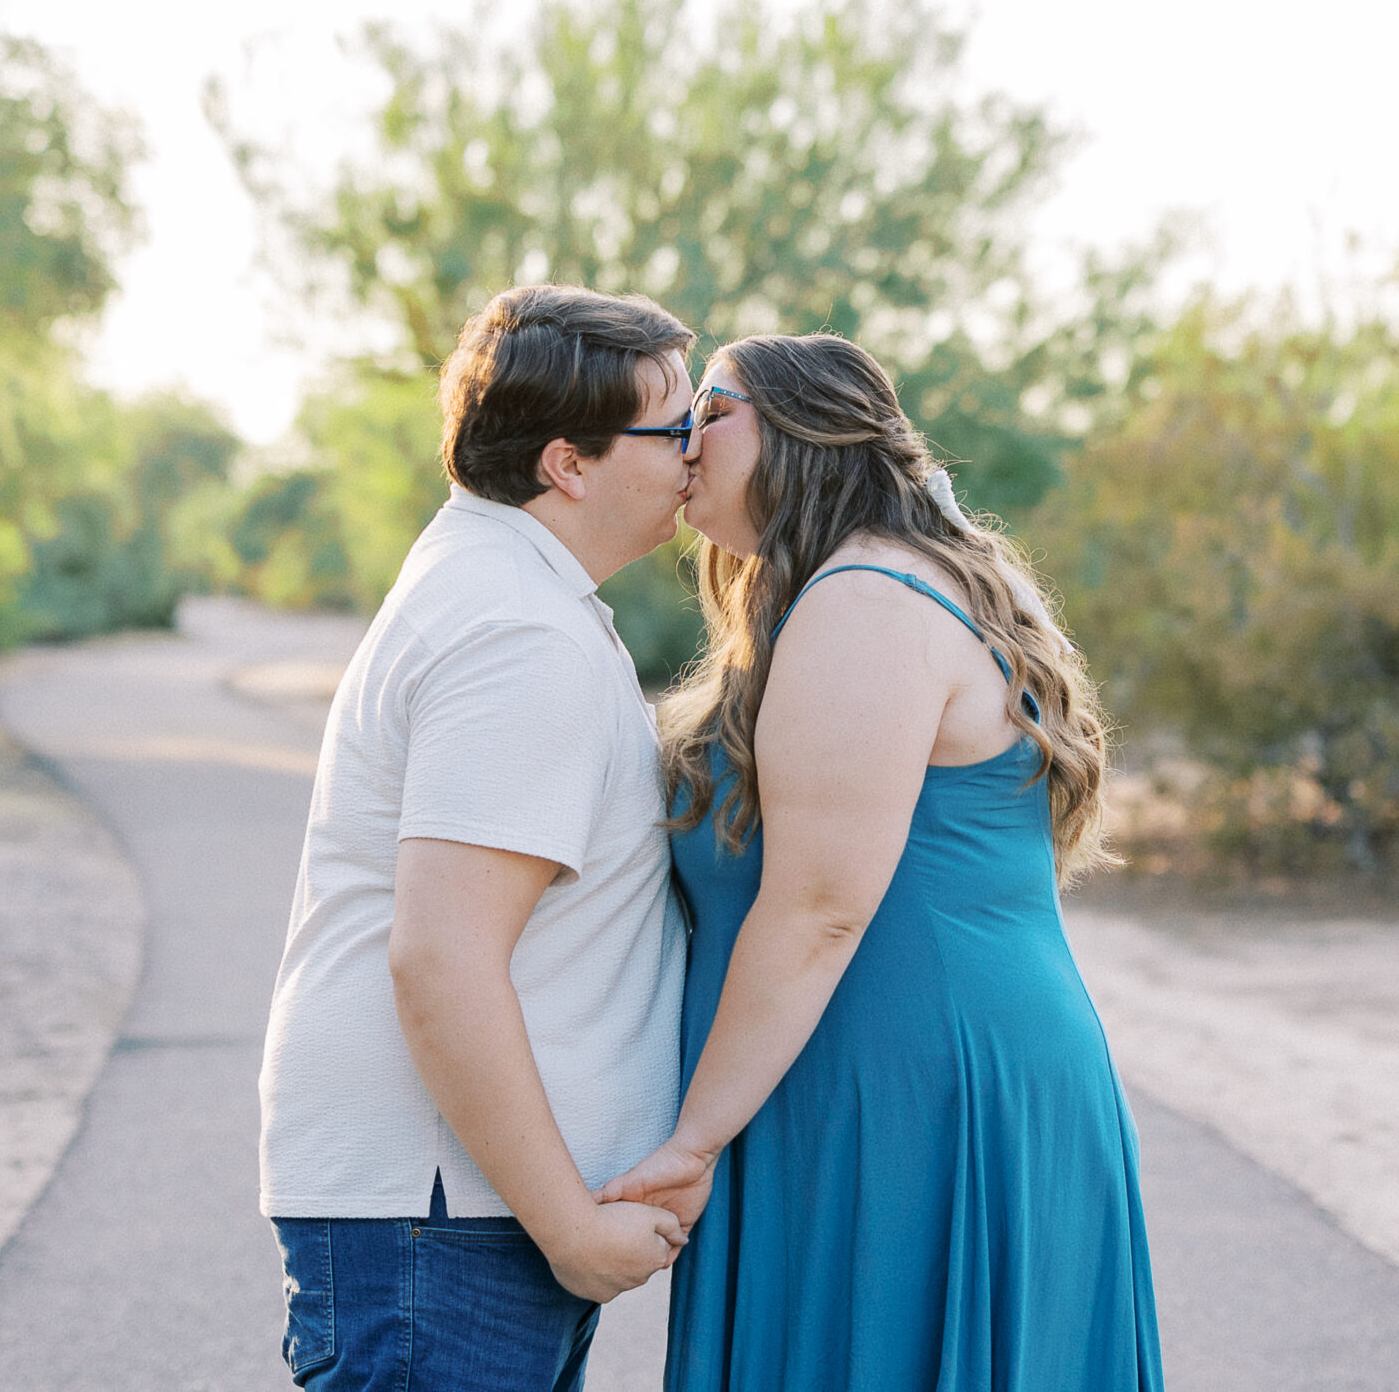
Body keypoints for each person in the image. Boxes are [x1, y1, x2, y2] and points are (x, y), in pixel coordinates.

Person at [598, 332, 1167, 1390]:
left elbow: (818, 911)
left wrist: (693, 1141)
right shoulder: (912, 574)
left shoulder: (864, 597)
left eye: (713, 409)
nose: (685, 435)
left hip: (898, 1087)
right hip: (899, 1060)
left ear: (805, 433)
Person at [258, 285, 703, 1392]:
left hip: (458, 1213)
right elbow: (442, 957)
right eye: (676, 428)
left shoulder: (516, 590)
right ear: (570, 464)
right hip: (447, 1220)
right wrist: (568, 1226)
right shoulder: (517, 630)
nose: (697, 454)